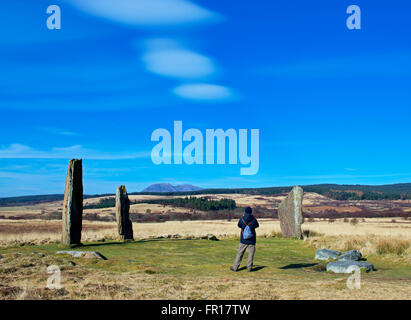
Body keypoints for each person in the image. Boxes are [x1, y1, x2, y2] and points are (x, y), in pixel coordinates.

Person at [230, 206, 259, 272]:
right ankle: (249, 268)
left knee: (240, 253)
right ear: (251, 212)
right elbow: (257, 225)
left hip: (243, 239)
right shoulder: (254, 219)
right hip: (252, 239)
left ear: (245, 212)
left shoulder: (242, 219)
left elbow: (239, 225)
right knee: (251, 254)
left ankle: (235, 267)